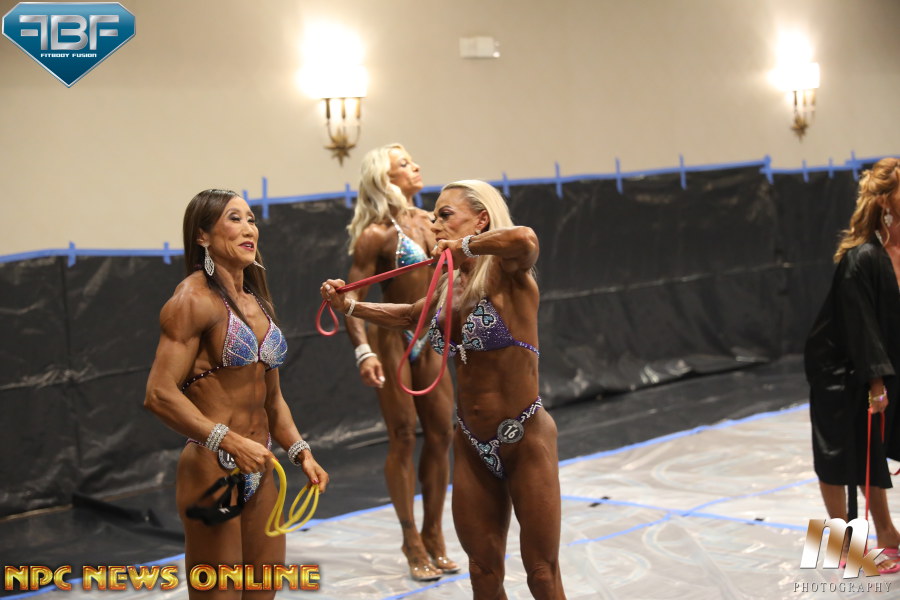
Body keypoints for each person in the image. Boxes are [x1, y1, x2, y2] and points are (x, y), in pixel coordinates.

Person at [322, 180, 567, 599]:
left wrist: (465, 246)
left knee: (541, 573)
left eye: (445, 215)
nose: (434, 224)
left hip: (525, 437)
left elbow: (525, 238)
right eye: (434, 216)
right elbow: (409, 316)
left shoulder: (510, 273)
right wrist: (351, 306)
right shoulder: (447, 284)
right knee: (482, 572)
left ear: (481, 219)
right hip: (471, 443)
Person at [145, 189, 329, 599]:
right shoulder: (191, 300)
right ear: (202, 235)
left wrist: (301, 451)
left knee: (264, 591)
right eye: (234, 218)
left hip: (261, 469)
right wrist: (228, 440)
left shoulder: (257, 303)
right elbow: (158, 394)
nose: (249, 229)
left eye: (251, 219)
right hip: (212, 469)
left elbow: (272, 399)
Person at [342, 143, 457, 581]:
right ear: (385, 179)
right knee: (404, 435)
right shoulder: (376, 234)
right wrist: (363, 351)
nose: (416, 166)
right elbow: (351, 299)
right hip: (393, 338)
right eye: (404, 164)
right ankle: (411, 541)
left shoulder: (433, 222)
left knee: (443, 433)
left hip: (432, 335)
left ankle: (435, 534)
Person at [805, 157, 900, 574]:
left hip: (876, 364)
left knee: (871, 452)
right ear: (886, 201)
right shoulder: (861, 258)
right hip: (838, 368)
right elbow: (860, 325)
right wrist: (876, 381)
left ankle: (887, 533)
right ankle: (840, 545)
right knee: (837, 454)